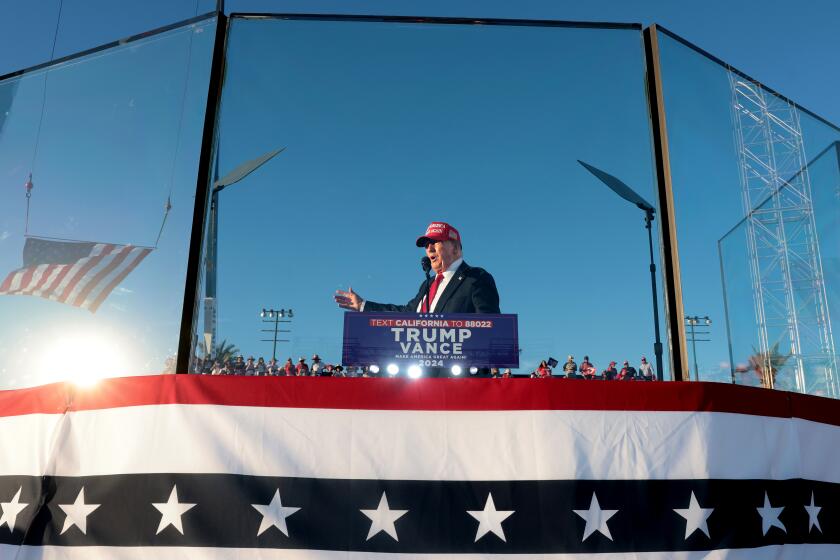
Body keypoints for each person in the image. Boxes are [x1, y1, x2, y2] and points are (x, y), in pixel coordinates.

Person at [334, 221, 500, 314]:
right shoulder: (427, 285)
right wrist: (363, 305)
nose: (429, 249)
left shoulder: (476, 278)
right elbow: (406, 314)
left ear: (455, 248)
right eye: (426, 245)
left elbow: (488, 326)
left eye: (435, 242)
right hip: (422, 372)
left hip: (459, 374)